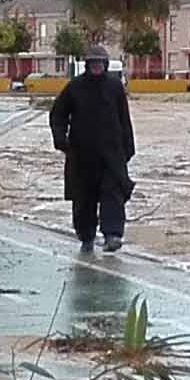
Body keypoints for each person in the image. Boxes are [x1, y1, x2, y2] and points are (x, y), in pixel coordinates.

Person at [47, 44, 136, 254]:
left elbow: (125, 120)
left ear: (105, 64)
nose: (97, 66)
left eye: (100, 63)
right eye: (93, 63)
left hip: (112, 154)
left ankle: (113, 235)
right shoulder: (74, 87)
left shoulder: (115, 88)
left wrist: (128, 149)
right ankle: (86, 236)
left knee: (112, 194)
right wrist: (61, 139)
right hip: (82, 155)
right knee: (83, 199)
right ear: (87, 65)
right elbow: (57, 115)